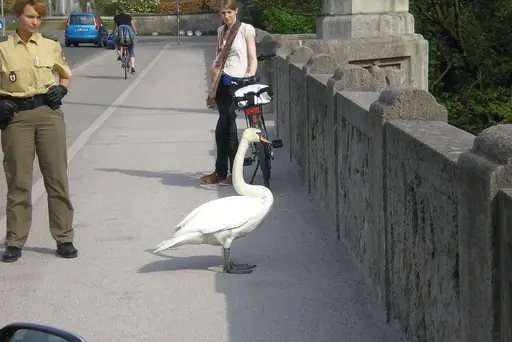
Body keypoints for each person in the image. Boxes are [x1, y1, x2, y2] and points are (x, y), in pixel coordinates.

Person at [0, 0, 77, 262]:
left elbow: (65, 74)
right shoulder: (3, 49)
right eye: (30, 17)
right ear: (18, 17)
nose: (35, 22)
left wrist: (62, 88)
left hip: (48, 114)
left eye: (38, 18)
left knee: (56, 176)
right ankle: (15, 241)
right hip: (16, 117)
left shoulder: (50, 45)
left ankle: (64, 238)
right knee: (18, 181)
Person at [200, 0, 257, 186]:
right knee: (225, 127)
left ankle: (231, 174)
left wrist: (249, 75)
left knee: (227, 128)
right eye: (223, 13)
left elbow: (252, 58)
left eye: (229, 12)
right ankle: (223, 173)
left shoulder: (246, 29)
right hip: (221, 83)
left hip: (237, 82)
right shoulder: (220, 31)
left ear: (236, 11)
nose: (226, 16)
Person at [113, 7, 137, 74]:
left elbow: (114, 28)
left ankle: (120, 55)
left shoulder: (116, 17)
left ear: (118, 11)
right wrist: (135, 32)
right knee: (131, 50)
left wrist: (112, 33)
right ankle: (132, 66)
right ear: (124, 11)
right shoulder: (129, 17)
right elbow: (133, 26)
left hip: (121, 38)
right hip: (129, 38)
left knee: (117, 44)